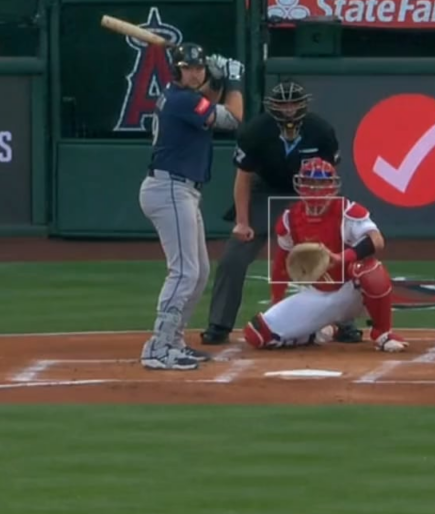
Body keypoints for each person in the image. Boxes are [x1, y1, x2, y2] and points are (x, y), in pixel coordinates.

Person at [201, 80, 361, 347]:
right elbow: (243, 178)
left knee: (331, 252)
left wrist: (326, 213)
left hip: (310, 193)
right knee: (233, 257)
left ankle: (345, 322)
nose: (289, 110)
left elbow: (331, 177)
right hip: (265, 192)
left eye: (294, 103)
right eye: (283, 104)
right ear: (272, 106)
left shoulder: (320, 131)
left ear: (304, 104)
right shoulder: (256, 131)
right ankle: (219, 324)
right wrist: (242, 222)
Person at [138, 43, 244, 371]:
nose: (195, 73)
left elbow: (208, 102)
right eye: (189, 68)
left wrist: (217, 80)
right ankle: (158, 345)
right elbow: (233, 118)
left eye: (199, 68)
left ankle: (173, 341)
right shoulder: (182, 100)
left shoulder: (184, 97)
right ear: (177, 70)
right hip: (169, 187)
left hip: (180, 189)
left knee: (199, 273)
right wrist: (234, 81)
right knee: (184, 271)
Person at [243, 159, 408, 354]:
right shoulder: (290, 218)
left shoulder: (346, 210)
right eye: (310, 183)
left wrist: (341, 258)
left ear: (332, 185)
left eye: (321, 183)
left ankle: (382, 333)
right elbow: (281, 263)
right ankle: (320, 331)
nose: (315, 189)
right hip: (318, 293)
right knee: (257, 334)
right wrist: (277, 299)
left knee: (370, 270)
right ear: (300, 185)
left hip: (352, 292)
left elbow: (376, 240)